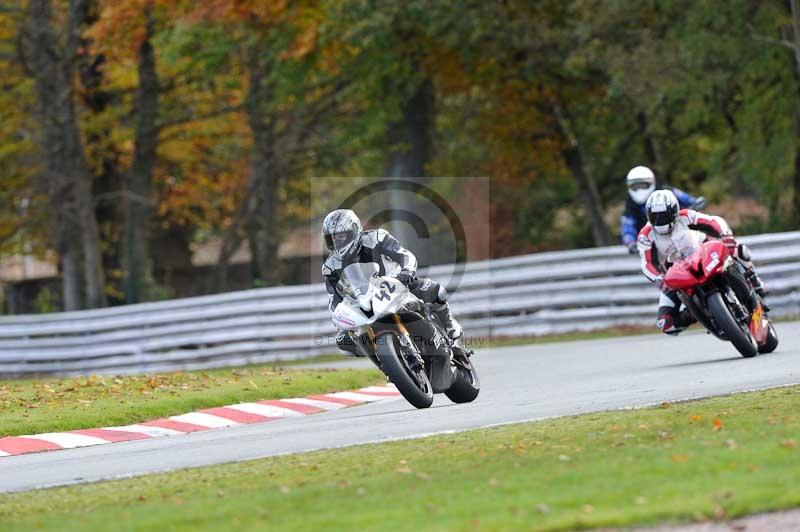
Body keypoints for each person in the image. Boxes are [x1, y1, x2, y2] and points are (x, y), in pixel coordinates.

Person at [321, 209, 462, 355]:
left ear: (355, 231)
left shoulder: (377, 237)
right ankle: (384, 362)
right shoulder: (330, 267)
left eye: (341, 237)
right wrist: (341, 319)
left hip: (397, 283)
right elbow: (334, 299)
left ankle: (452, 330)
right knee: (343, 340)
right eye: (332, 239)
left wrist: (406, 271)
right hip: (365, 302)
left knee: (435, 291)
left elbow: (404, 255)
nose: (337, 242)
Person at [637, 190, 768, 335]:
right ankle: (698, 312)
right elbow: (646, 263)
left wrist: (727, 238)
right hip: (676, 272)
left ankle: (753, 279)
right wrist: (660, 280)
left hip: (704, 253)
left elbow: (715, 221)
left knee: (738, 250)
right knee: (666, 324)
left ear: (674, 211)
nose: (660, 221)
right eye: (655, 217)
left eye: (664, 216)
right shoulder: (645, 235)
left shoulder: (686, 215)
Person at [621, 166, 705, 254]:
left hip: (682, 234)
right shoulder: (630, 206)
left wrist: (694, 206)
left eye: (642, 185)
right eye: (635, 186)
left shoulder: (668, 192)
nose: (639, 190)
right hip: (655, 244)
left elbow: (690, 201)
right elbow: (627, 227)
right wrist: (631, 243)